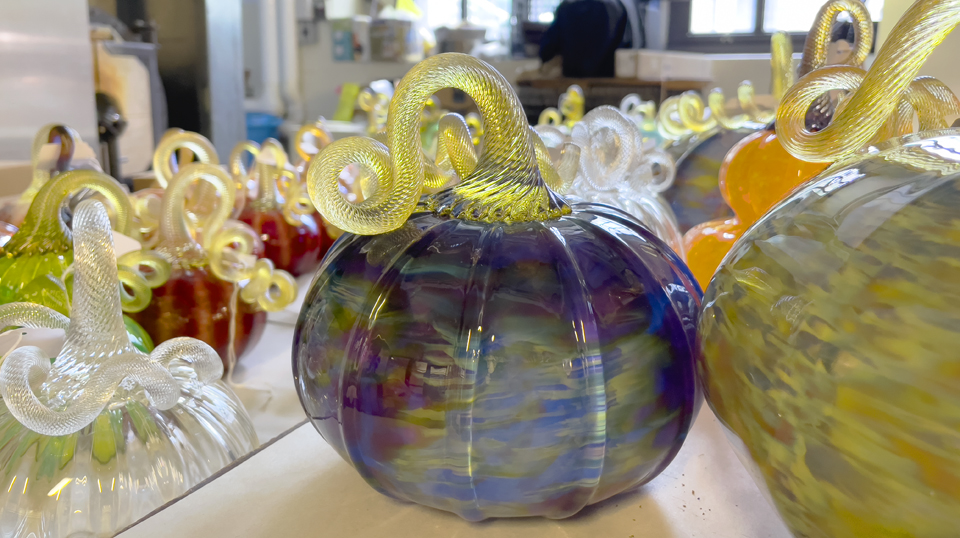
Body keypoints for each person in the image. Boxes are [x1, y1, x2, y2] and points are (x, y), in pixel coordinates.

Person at [539, 0, 628, 78]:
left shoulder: (566, 8)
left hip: (571, 82)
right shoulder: (618, 8)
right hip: (608, 81)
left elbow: (546, 51)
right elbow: (627, 46)